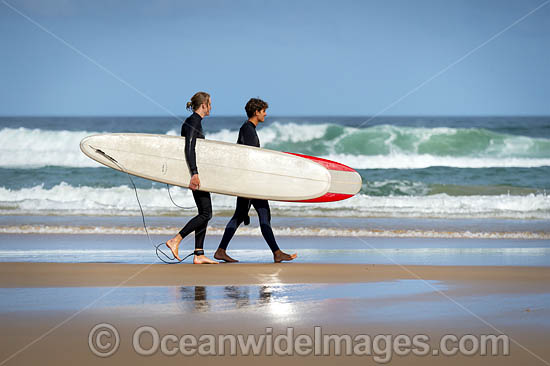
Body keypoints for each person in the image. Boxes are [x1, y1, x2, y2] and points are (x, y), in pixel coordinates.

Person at [214, 98, 297, 263]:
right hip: (250, 182)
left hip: (246, 181)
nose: (265, 114)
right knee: (263, 214)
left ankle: (221, 250)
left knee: (240, 216)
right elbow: (252, 158)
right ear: (256, 112)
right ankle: (276, 252)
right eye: (263, 110)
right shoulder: (248, 129)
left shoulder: (247, 128)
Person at [166, 91, 217, 264]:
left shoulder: (194, 121)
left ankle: (199, 254)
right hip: (194, 174)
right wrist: (194, 173)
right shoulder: (194, 121)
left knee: (205, 212)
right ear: (204, 105)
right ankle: (176, 240)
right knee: (206, 213)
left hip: (196, 172)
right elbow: (189, 148)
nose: (211, 107)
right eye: (210, 104)